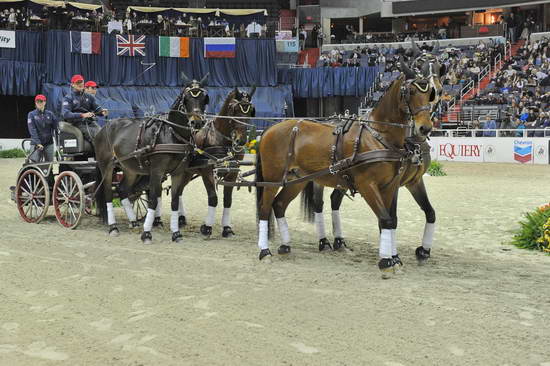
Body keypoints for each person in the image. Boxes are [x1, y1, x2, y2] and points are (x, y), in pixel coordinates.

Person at [62, 74, 108, 148]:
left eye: (81, 82)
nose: (80, 84)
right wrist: (82, 115)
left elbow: (97, 108)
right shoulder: (68, 98)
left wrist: (102, 112)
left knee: (104, 135)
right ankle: (101, 157)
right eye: (77, 82)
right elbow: (66, 114)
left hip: (90, 122)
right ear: (72, 84)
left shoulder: (89, 97)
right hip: (77, 123)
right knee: (95, 136)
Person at [27, 94, 58, 162]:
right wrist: (38, 143)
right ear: (35, 103)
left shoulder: (50, 114)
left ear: (45, 102)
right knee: (34, 164)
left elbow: (56, 127)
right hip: (36, 143)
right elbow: (32, 130)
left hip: (49, 143)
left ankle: (50, 172)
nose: (39, 103)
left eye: (41, 101)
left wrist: (59, 142)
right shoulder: (31, 114)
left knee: (49, 164)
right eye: (37, 101)